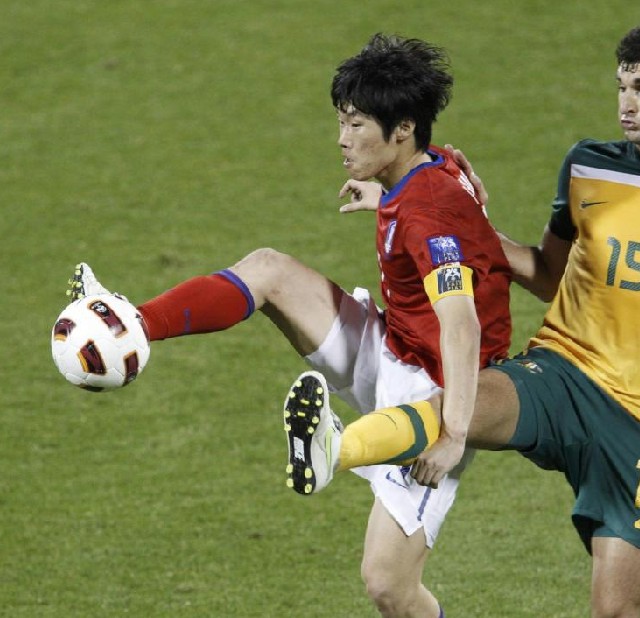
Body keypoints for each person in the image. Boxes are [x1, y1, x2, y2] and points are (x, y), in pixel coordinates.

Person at [284, 17, 640, 617]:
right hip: (559, 374)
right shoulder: (587, 164)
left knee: (615, 611)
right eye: (622, 86)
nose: (625, 103)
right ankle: (334, 447)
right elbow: (546, 275)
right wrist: (428, 212)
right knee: (448, 410)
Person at [67, 33, 512, 618]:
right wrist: (387, 200)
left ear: (402, 128)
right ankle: (135, 321)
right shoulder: (431, 170)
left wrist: (454, 433)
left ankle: (338, 445)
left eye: (356, 125)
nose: (342, 139)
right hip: (392, 344)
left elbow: (461, 325)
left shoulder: (428, 212)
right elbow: (448, 231)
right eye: (341, 121)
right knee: (270, 270)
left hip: (436, 390)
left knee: (388, 585)